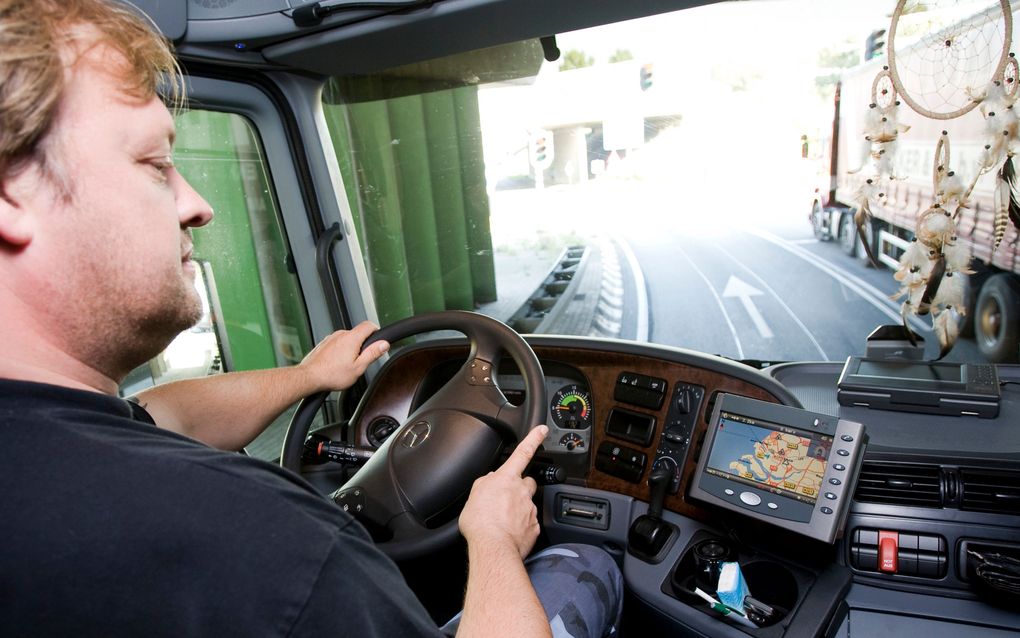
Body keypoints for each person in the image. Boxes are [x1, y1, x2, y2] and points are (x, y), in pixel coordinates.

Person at [0, 0, 622, 636]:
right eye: (156, 165)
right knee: (584, 564)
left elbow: (167, 414)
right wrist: (492, 542)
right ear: (10, 194)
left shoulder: (50, 438)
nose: (198, 204)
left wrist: (308, 376)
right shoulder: (271, 542)